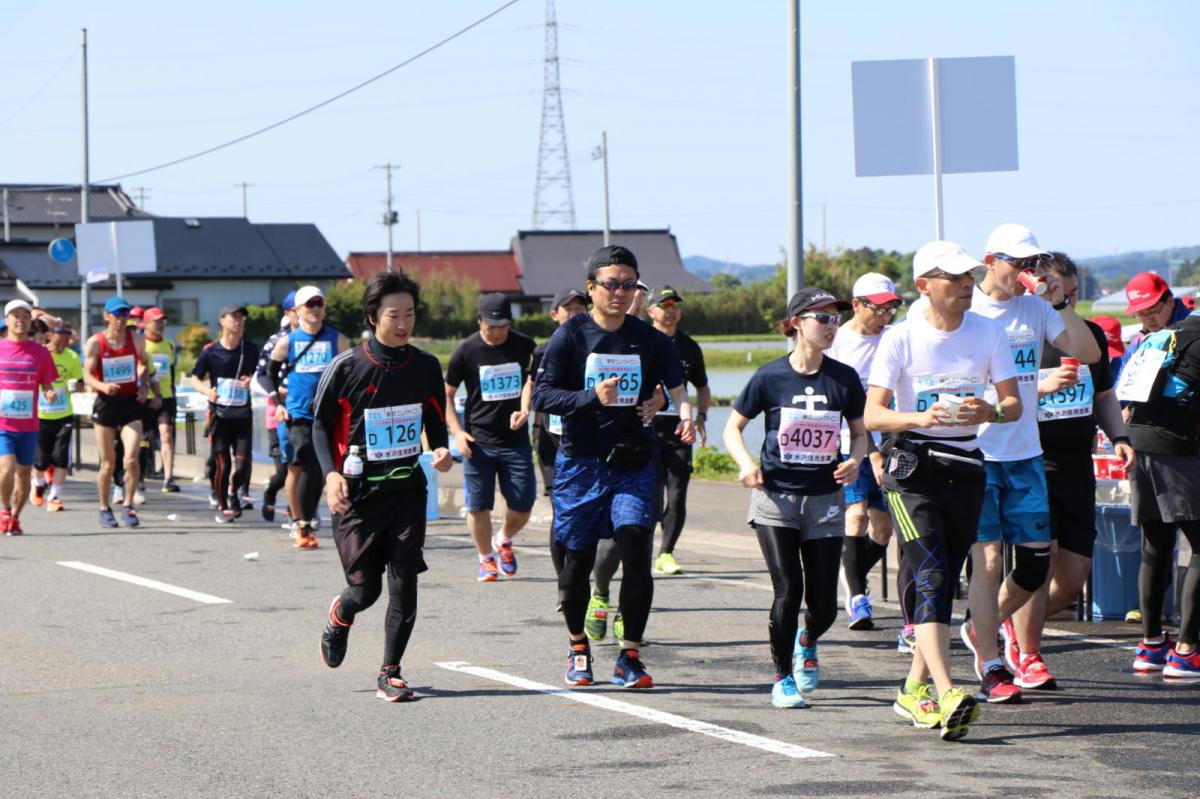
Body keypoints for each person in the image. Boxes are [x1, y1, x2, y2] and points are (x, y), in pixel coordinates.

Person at [866, 240, 1021, 740]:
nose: (965, 285)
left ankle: (912, 691)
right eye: (953, 277)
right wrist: (920, 417)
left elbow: (1014, 405)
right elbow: (873, 416)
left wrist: (990, 410)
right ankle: (948, 691)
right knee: (932, 576)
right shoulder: (900, 338)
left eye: (969, 276)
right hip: (911, 469)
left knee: (945, 579)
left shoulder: (988, 331)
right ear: (924, 285)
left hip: (967, 467)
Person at [533, 244, 693, 690]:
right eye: (611, 284)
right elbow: (543, 396)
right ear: (592, 288)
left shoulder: (648, 338)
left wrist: (679, 411)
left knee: (637, 547)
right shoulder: (571, 336)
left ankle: (630, 657)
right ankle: (578, 646)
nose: (620, 292)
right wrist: (590, 397)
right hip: (581, 463)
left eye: (628, 285)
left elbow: (676, 385)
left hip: (634, 461)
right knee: (577, 561)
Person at [957, 223, 1100, 703]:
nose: (1027, 271)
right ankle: (992, 663)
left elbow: (1088, 352)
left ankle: (982, 627)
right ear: (990, 261)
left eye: (1033, 263)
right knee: (989, 560)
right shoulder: (967, 308)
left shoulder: (1036, 308)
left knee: (1036, 565)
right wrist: (1034, 386)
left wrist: (1059, 303)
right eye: (1019, 263)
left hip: (1025, 454)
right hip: (977, 452)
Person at [724, 288, 867, 709]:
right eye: (822, 318)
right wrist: (746, 464)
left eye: (835, 318)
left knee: (824, 605)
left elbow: (860, 434)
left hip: (825, 499)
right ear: (796, 324)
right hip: (775, 500)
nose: (831, 326)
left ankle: (808, 639)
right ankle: (782, 677)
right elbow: (732, 428)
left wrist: (855, 461)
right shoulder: (769, 377)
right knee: (788, 589)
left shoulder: (844, 378)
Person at [315, 271, 453, 702]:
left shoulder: (426, 366)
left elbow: (434, 419)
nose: (404, 323)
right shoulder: (347, 366)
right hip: (357, 495)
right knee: (365, 590)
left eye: (410, 314)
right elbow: (318, 425)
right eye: (395, 315)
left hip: (407, 490)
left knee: (404, 578)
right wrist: (331, 474)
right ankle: (341, 615)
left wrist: (442, 448)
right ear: (373, 316)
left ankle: (390, 671)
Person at [1010, 253, 1134, 685]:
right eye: (1057, 292)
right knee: (1038, 566)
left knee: (1072, 578)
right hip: (1032, 462)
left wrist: (1120, 437)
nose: (1066, 300)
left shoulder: (1088, 337)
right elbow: (996, 398)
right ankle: (1028, 655)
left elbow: (1104, 396)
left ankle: (1003, 619)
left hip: (1077, 466)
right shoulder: (1022, 336)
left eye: (1074, 293)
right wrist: (1041, 388)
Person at [1121, 302, 1200, 678]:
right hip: (1176, 447)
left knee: (1155, 545)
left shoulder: (1165, 335)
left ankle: (1151, 645)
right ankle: (1187, 651)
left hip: (1138, 443)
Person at [445, 293, 537, 582]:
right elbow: (446, 395)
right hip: (477, 443)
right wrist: (457, 433)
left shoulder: (525, 346)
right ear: (479, 322)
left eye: (503, 325)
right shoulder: (466, 350)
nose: (497, 332)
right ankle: (486, 559)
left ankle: (504, 538)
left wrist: (525, 409)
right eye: (491, 326)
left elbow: (533, 382)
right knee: (478, 506)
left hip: (516, 441)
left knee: (523, 505)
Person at [827, 272, 899, 633]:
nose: (884, 316)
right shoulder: (837, 342)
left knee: (883, 530)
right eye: (878, 309)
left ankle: (851, 573)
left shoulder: (894, 338)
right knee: (855, 516)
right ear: (856, 305)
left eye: (891, 309)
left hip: (890, 443)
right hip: (849, 442)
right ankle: (856, 597)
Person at [266, 285, 350, 549]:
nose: (315, 309)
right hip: (299, 413)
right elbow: (270, 373)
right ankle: (303, 523)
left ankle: (309, 521)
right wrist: (278, 404)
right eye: (309, 305)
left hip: (329, 414)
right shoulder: (287, 341)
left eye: (319, 304)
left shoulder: (338, 340)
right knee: (308, 463)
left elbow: (349, 376)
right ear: (298, 310)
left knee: (322, 470)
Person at [645, 286, 710, 576]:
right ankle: (641, 547)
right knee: (651, 495)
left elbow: (702, 387)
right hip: (646, 428)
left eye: (675, 305)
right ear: (651, 311)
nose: (670, 311)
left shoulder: (689, 347)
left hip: (679, 429)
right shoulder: (641, 340)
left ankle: (666, 553)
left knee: (677, 495)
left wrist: (701, 418)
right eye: (664, 305)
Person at [530, 287, 590, 577]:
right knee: (561, 509)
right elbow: (533, 389)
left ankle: (581, 574)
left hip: (585, 440)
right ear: (555, 315)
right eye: (569, 309)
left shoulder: (597, 346)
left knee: (585, 511)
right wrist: (524, 412)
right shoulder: (543, 351)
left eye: (581, 308)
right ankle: (564, 581)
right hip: (551, 441)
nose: (575, 314)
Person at [84, 296, 153, 528]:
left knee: (131, 458)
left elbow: (144, 364)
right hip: (106, 403)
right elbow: (87, 374)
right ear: (106, 316)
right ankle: (104, 508)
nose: (122, 319)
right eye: (117, 314)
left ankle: (128, 505)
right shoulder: (96, 342)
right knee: (108, 463)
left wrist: (143, 385)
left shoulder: (137, 339)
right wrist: (102, 386)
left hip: (131, 403)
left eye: (125, 314)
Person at [191, 305, 259, 524]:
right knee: (223, 464)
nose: (238, 321)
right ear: (221, 320)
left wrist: (252, 381)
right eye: (234, 317)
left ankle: (233, 491)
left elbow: (262, 375)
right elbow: (195, 378)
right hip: (219, 415)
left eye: (242, 318)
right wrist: (208, 392)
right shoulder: (211, 351)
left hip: (243, 414)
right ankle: (222, 505)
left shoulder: (250, 349)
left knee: (243, 465)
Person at [0, 300, 60, 534]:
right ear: (6, 320)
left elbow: (47, 385)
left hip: (29, 425)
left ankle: (15, 517)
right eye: (16, 315)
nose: (20, 320)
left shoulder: (40, 353)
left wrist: (49, 393)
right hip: (3, 424)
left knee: (24, 474)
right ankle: (5, 510)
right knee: (6, 468)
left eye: (25, 316)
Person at [33, 321, 84, 513]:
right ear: (49, 336)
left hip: (64, 414)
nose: (62, 341)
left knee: (61, 459)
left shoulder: (73, 357)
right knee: (41, 461)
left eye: (66, 337)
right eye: (58, 337)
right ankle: (38, 483)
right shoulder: (40, 354)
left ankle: (54, 497)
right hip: (41, 414)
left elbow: (81, 383)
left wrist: (77, 386)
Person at [256, 291, 297, 523]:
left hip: (305, 412)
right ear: (288, 312)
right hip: (278, 413)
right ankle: (271, 493)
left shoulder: (322, 339)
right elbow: (261, 375)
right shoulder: (277, 340)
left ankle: (297, 512)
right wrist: (276, 394)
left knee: (305, 467)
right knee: (284, 469)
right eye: (298, 309)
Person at [141, 307, 180, 493]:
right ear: (146, 324)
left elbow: (170, 371)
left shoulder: (169, 345)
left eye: (162, 321)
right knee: (142, 439)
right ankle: (138, 476)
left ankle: (168, 478)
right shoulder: (141, 345)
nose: (160, 325)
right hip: (145, 398)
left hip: (166, 397)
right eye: (156, 322)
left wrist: (171, 393)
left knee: (166, 435)